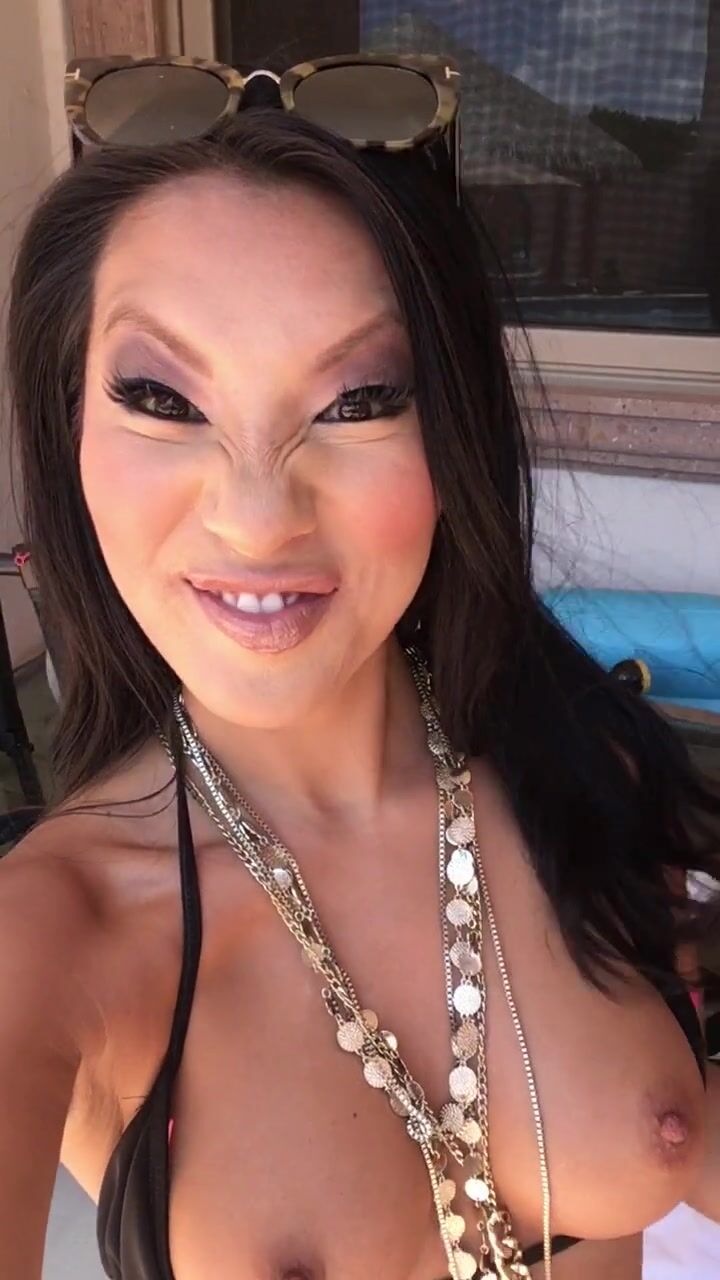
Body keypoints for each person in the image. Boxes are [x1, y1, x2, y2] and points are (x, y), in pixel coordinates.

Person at [1, 92, 719, 1280]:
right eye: (163, 399)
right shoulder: (53, 929)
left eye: (358, 400)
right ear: (68, 427)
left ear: (453, 436)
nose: (256, 516)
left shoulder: (580, 760)